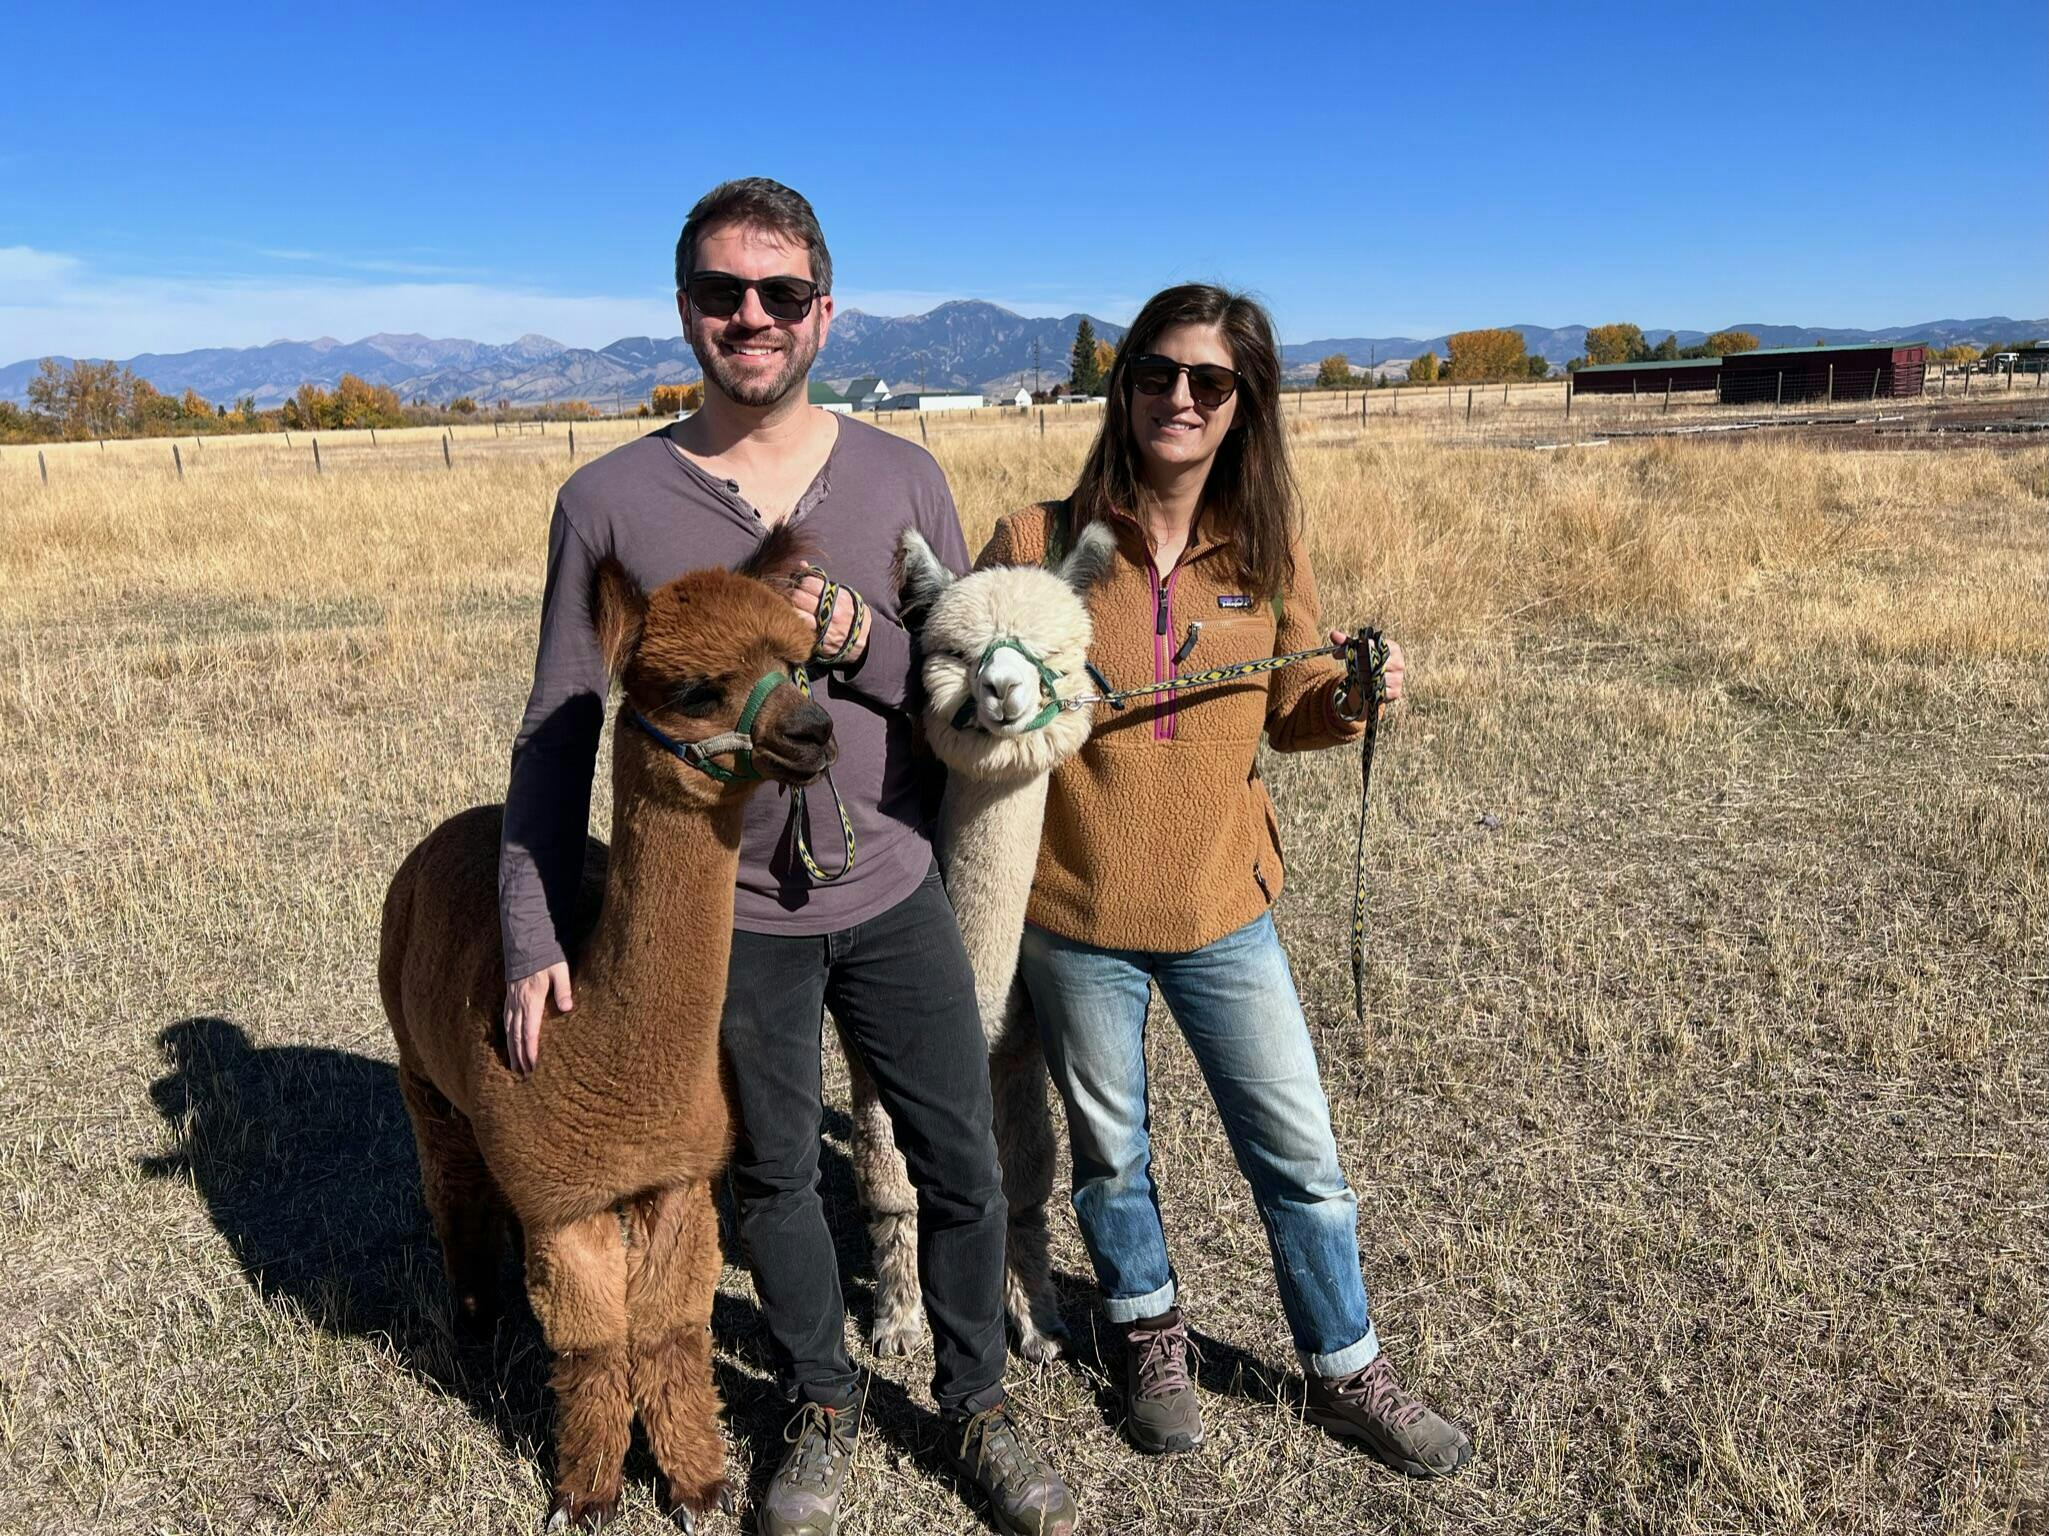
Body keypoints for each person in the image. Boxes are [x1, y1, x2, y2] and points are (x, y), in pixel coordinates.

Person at [497, 178, 1076, 1536]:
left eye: (775, 294)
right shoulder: (609, 504)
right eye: (718, 292)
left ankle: (976, 1401)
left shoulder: (900, 476)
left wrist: (855, 643)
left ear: (825, 309)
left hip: (891, 884)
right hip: (732, 916)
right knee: (766, 1179)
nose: (746, 318)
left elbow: (943, 678)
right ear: (685, 308)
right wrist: (529, 930)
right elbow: (553, 733)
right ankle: (822, 1399)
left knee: (957, 1156)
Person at [982, 283, 1473, 1478]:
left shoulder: (1265, 555)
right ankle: (1145, 1331)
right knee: (1111, 1153)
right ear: (1125, 385)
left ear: (1245, 404)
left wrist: (1355, 694)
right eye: (1159, 373)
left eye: (1211, 381)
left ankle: (1348, 1367)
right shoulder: (1031, 541)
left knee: (1297, 1154)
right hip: (1075, 909)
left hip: (1224, 910)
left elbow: (1293, 713)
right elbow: (962, 701)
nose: (1181, 398)